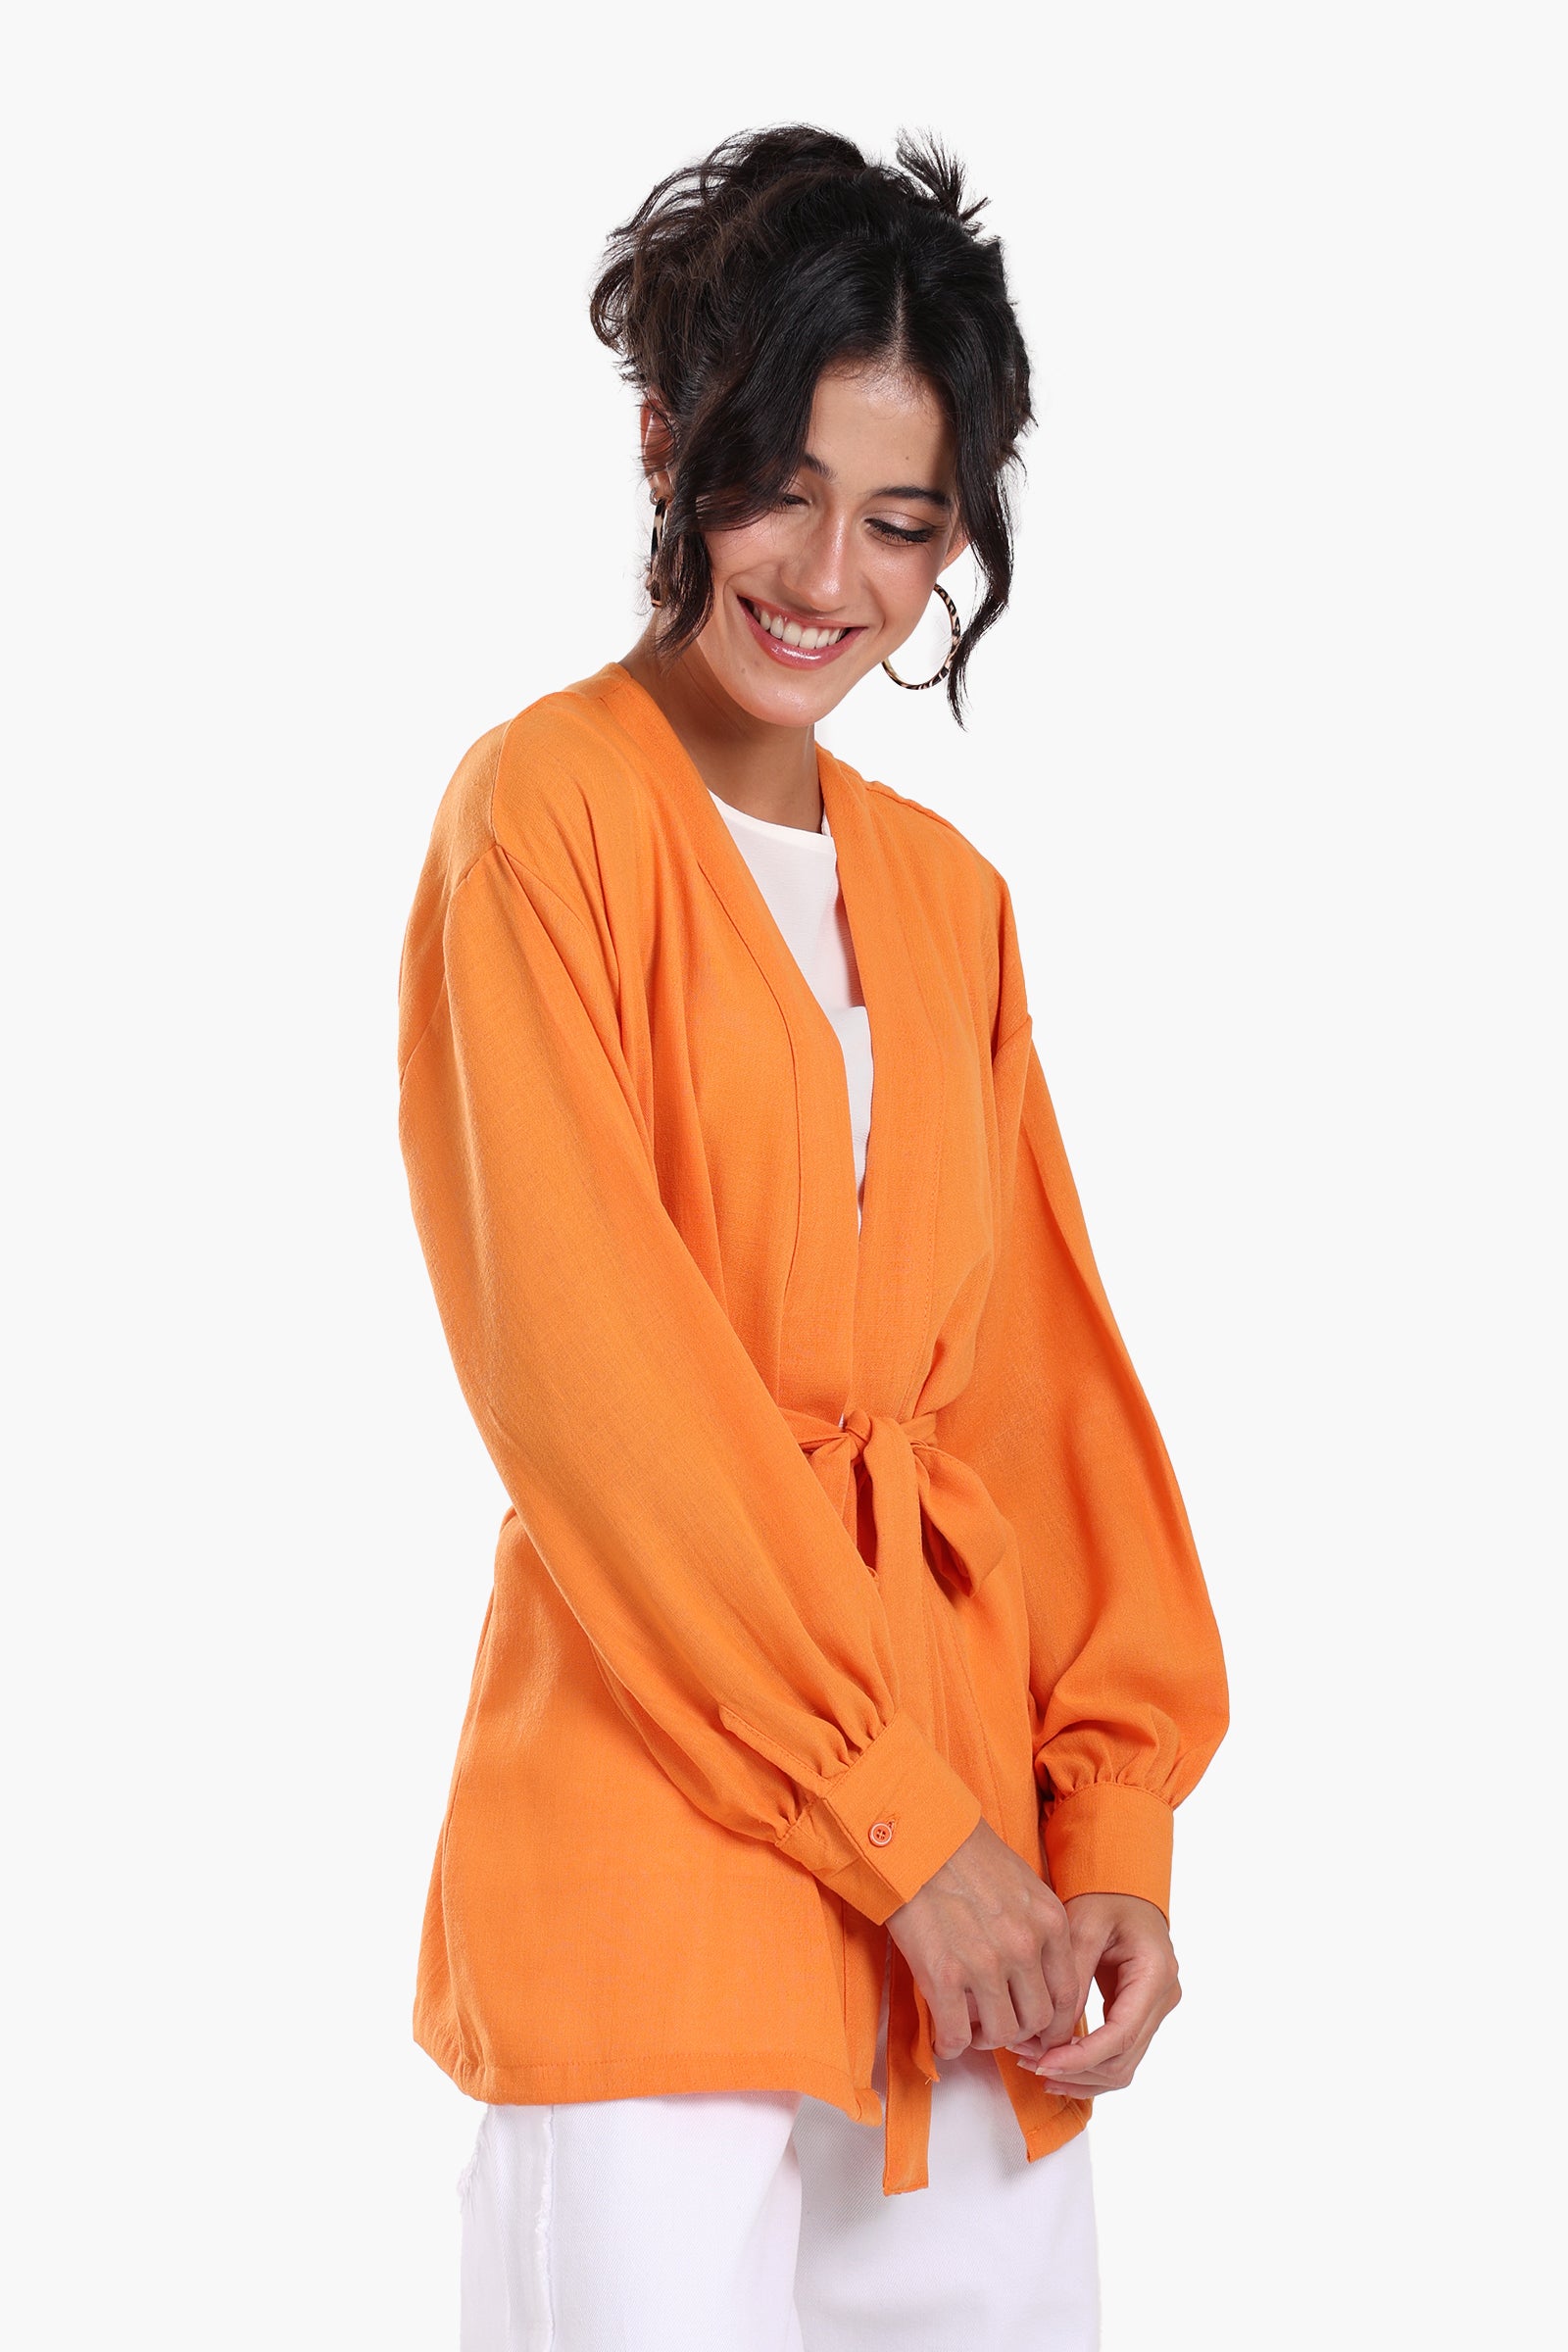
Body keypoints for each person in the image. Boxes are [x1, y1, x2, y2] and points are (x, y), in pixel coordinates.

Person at [396, 123, 1229, 2352]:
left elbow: (1038, 1393)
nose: (827, 577)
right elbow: (598, 1393)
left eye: (903, 521)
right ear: (664, 444)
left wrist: (1104, 1834)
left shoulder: (948, 902)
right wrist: (895, 1825)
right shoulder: (546, 817)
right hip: (666, 1870)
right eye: (778, 488)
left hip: (978, 1930)